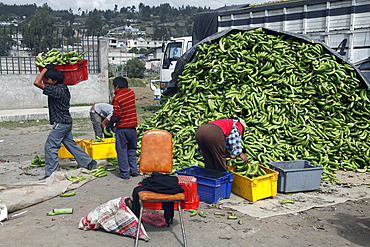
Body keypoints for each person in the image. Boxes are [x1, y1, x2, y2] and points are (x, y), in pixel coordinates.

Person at [33, 65, 97, 180]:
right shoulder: (63, 88)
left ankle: (51, 174)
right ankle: (88, 162)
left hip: (60, 123)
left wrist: (44, 70)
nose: (46, 81)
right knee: (69, 144)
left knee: (50, 147)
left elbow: (36, 83)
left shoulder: (56, 90)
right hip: (66, 121)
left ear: (55, 81)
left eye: (48, 79)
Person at [103, 76, 139, 179]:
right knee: (132, 149)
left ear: (117, 86)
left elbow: (117, 114)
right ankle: (134, 170)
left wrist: (110, 123)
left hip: (122, 128)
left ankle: (125, 173)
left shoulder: (117, 98)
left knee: (122, 150)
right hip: (132, 128)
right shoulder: (132, 94)